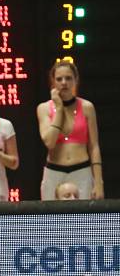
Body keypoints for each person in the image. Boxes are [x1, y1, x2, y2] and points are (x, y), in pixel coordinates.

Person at [37, 61, 103, 200]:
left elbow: (94, 146)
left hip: (81, 170)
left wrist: (98, 182)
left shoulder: (87, 107)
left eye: (68, 78)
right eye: (59, 79)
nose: (64, 82)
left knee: (84, 219)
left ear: (76, 80)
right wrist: (59, 109)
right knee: (50, 218)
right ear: (53, 82)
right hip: (54, 170)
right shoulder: (44, 108)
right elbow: (50, 142)